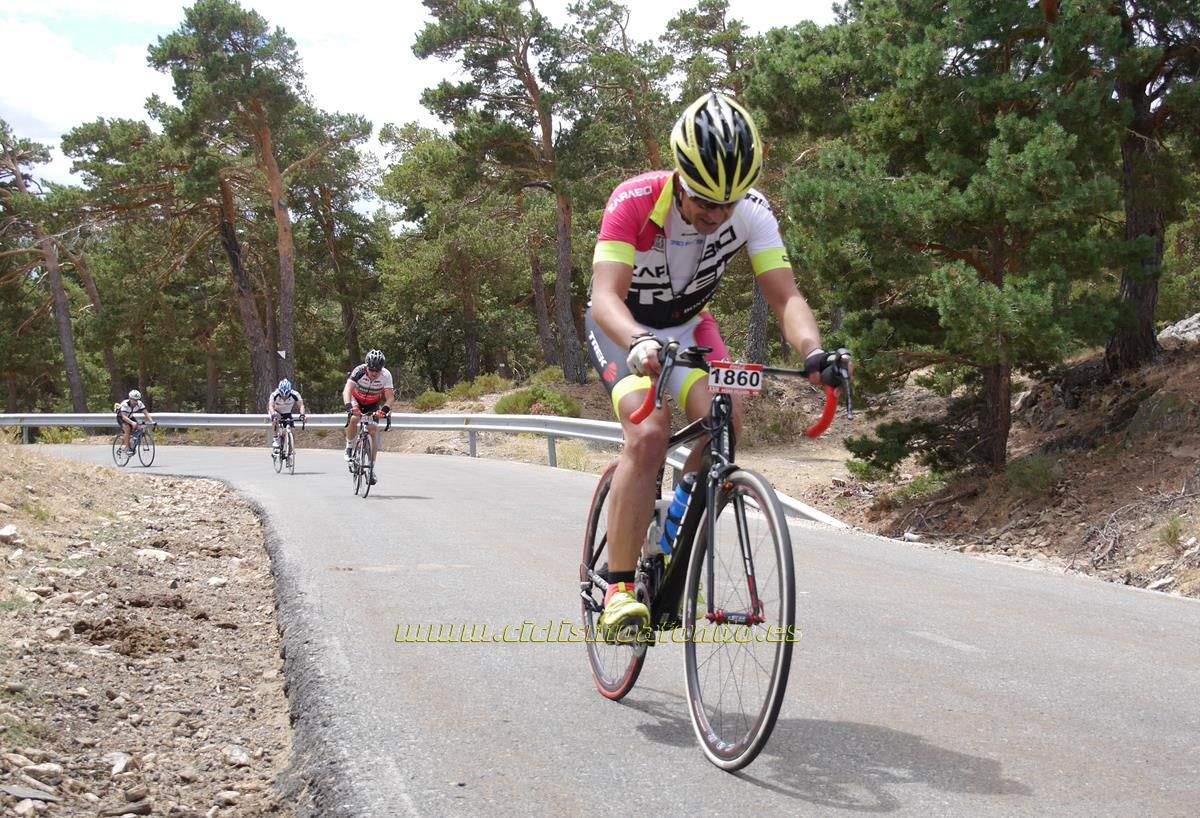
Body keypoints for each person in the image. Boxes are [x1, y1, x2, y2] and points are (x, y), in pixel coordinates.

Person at [586, 91, 850, 642]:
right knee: (650, 433)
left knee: (724, 419)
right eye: (704, 201)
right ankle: (617, 589)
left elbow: (786, 298)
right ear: (679, 176)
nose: (715, 216)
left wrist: (814, 354)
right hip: (622, 328)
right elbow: (605, 296)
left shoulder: (753, 213)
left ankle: (675, 515)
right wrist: (637, 341)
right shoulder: (633, 200)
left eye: (726, 205)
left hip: (687, 327)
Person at [342, 349, 394, 484]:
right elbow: (347, 390)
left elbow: (390, 397)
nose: (374, 373)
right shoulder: (358, 371)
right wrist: (349, 406)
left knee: (373, 430)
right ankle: (349, 446)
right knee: (354, 419)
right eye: (372, 370)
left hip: (373, 403)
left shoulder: (386, 375)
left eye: (377, 371)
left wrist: (384, 410)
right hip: (356, 400)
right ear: (367, 367)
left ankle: (371, 468)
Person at [266, 379, 306, 454]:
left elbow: (301, 405)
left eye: (286, 395)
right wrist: (273, 415)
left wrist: (302, 415)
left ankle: (290, 447)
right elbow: (270, 406)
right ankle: (276, 439)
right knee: (276, 419)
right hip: (276, 411)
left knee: (291, 429)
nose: (284, 397)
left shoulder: (295, 394)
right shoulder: (274, 394)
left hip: (287, 412)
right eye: (282, 395)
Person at [115, 389, 154, 453]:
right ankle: (127, 448)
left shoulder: (139, 403)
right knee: (127, 429)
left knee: (139, 427)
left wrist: (151, 421)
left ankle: (130, 440)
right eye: (134, 400)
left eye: (137, 400)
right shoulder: (125, 404)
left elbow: (146, 413)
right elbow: (124, 417)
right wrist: (132, 423)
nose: (136, 402)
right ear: (130, 398)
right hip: (122, 417)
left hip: (130, 417)